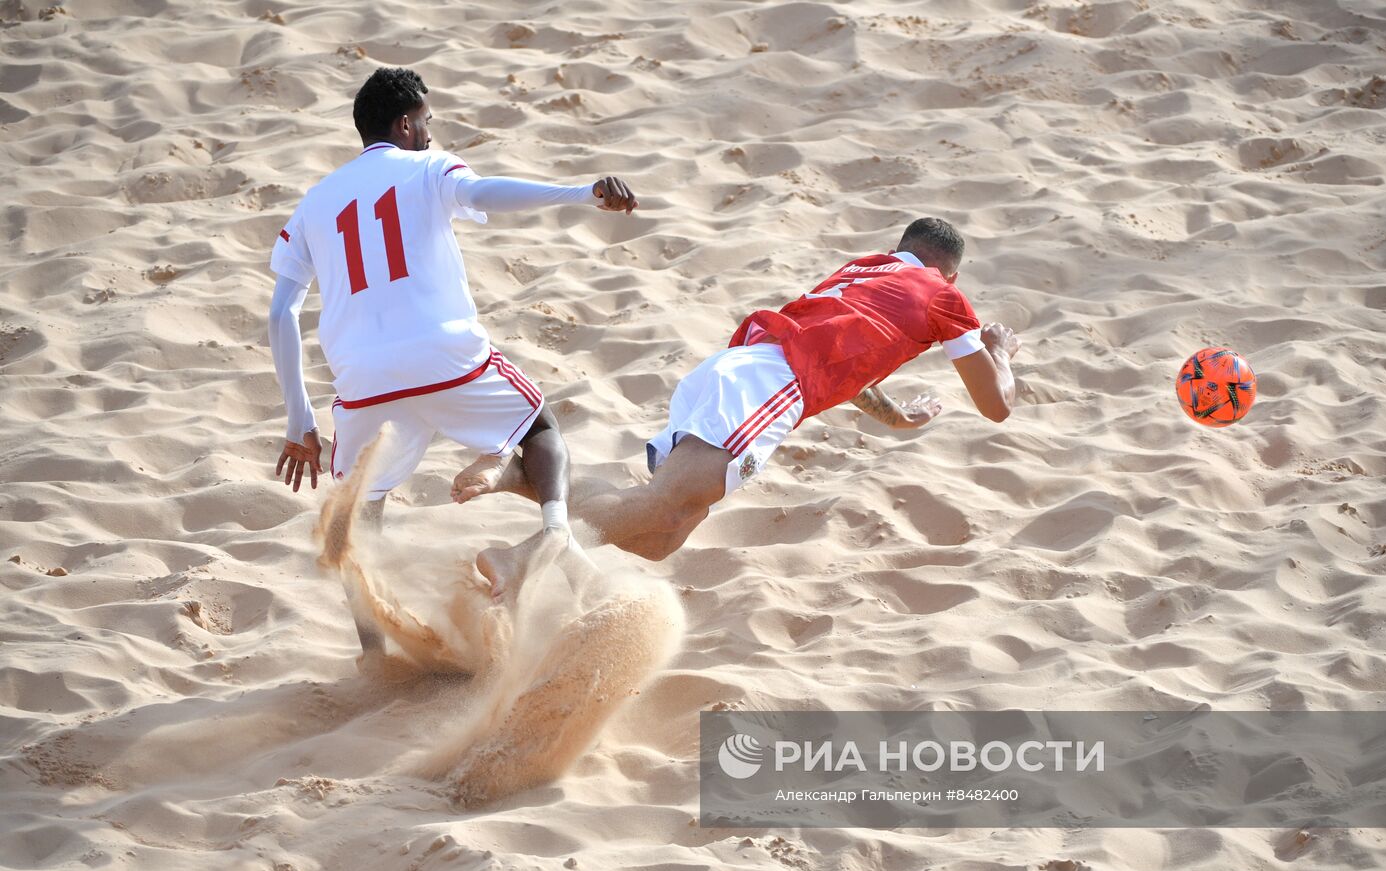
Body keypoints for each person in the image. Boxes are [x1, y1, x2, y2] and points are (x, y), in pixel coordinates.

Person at [267, 67, 636, 655]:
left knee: (357, 514)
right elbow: (484, 191)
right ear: (405, 123)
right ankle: (556, 534)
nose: (432, 135)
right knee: (541, 429)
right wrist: (577, 193)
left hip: (361, 377)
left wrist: (298, 421)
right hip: (445, 355)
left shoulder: (315, 203)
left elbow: (282, 312)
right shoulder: (428, 168)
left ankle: (373, 655)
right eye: (428, 123)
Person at [475, 217, 1020, 585]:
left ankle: (524, 476)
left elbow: (839, 362)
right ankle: (518, 561)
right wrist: (1000, 352)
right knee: (661, 506)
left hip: (735, 372)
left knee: (665, 534)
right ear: (951, 272)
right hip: (766, 387)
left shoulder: (864, 268)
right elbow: (995, 405)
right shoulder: (942, 295)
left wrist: (897, 418)